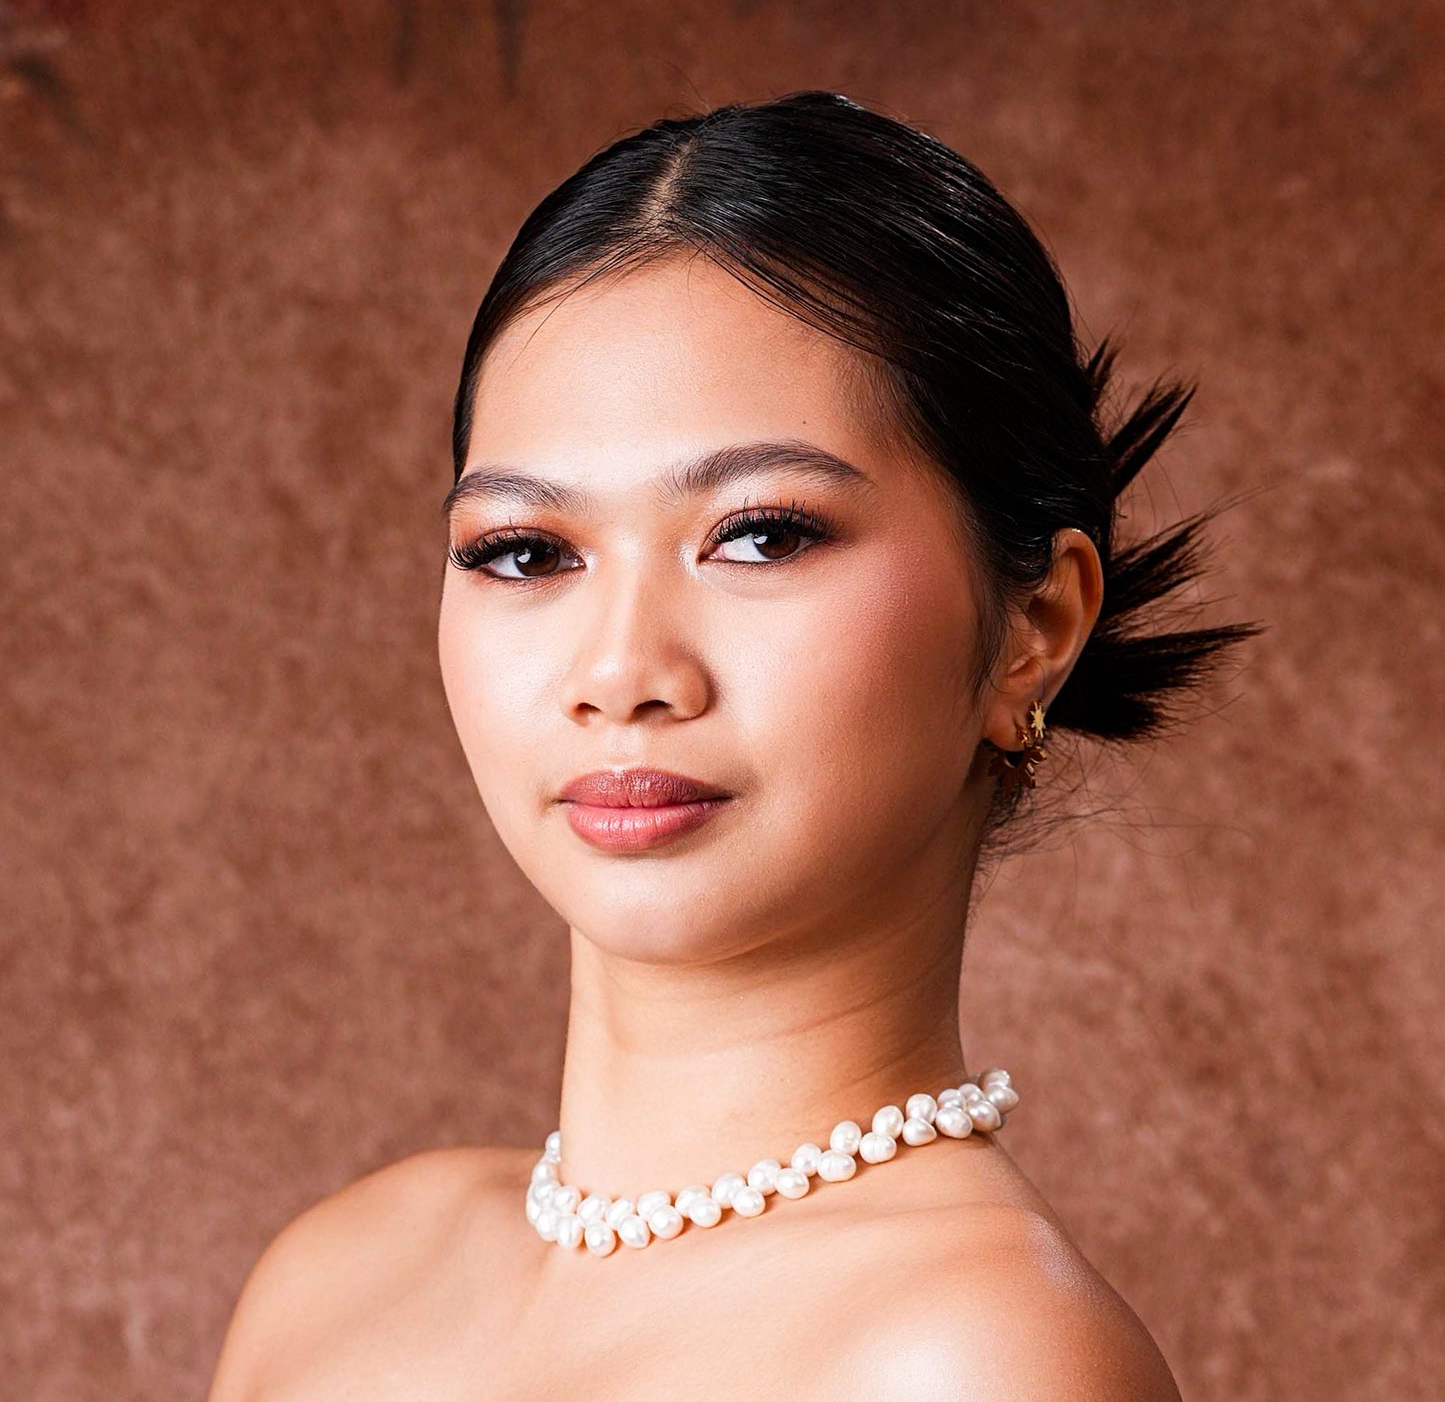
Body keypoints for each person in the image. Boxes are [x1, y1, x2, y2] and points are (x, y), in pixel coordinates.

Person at [207, 90, 1257, 1399]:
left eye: (759, 533)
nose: (621, 672)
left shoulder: (975, 1361)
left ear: (1034, 627)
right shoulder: (339, 1279)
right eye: (523, 550)